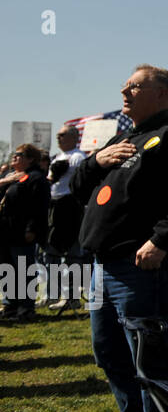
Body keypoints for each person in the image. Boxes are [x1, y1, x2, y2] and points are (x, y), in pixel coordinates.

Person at [72, 65, 168, 412]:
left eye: (134, 86)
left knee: (149, 354)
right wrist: (98, 160)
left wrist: (161, 240)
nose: (124, 91)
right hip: (103, 266)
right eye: (124, 86)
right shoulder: (123, 138)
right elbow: (78, 187)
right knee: (109, 352)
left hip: (141, 265)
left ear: (163, 95)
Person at [0, 145, 51, 321]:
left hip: (22, 232)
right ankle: (11, 305)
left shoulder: (36, 178)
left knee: (23, 271)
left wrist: (32, 229)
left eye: (19, 155)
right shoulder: (12, 178)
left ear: (30, 159)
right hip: (7, 231)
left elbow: (39, 207)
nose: (14, 158)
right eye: (14, 155)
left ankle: (25, 308)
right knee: (7, 270)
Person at [46, 126, 87, 311]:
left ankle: (72, 296)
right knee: (53, 252)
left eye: (62, 135)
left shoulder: (77, 156)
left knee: (72, 253)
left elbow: (81, 182)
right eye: (58, 135)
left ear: (73, 137)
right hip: (55, 205)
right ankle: (53, 293)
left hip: (69, 206)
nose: (58, 137)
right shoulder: (57, 158)